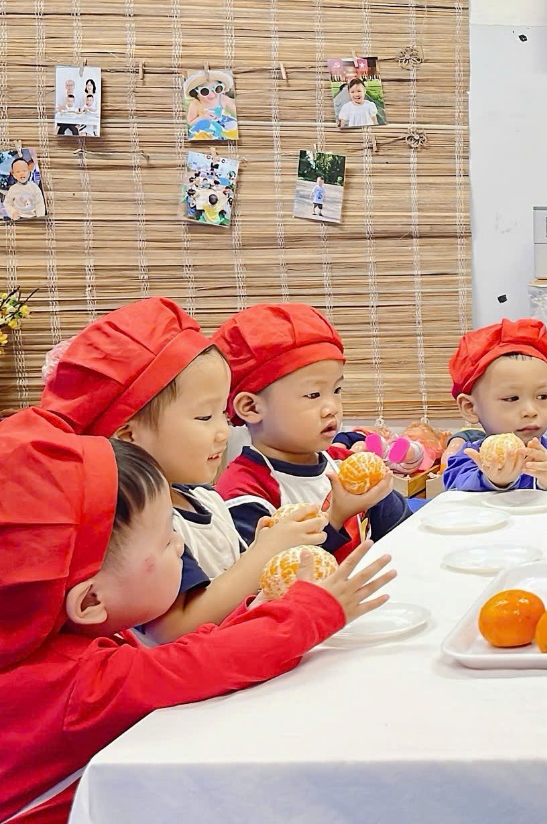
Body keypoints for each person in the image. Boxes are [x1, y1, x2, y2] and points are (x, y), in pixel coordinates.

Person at [0, 409, 394, 823]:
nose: (179, 546)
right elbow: (201, 663)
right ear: (90, 600)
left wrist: (256, 609)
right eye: (166, 539)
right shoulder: (78, 686)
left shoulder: (47, 642)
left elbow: (188, 653)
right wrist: (312, 613)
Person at [39, 298, 329, 642]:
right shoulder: (143, 528)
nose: (224, 432)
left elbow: (236, 589)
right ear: (128, 436)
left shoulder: (206, 498)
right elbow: (173, 629)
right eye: (205, 417)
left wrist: (266, 547)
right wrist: (264, 554)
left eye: (223, 414)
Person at [213, 303, 410, 558]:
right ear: (251, 407)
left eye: (336, 390)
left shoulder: (344, 465)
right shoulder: (244, 493)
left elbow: (405, 534)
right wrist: (336, 517)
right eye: (313, 394)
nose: (332, 408)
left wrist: (381, 495)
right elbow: (271, 577)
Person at [442, 318, 547, 492]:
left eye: (542, 396)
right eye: (511, 398)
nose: (531, 411)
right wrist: (492, 480)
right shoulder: (470, 456)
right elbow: (454, 488)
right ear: (470, 408)